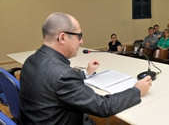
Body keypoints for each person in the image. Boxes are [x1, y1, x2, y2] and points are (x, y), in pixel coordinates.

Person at [18, 12, 152, 125]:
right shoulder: (62, 75)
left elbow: (52, 83)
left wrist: (86, 73)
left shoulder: (31, 60)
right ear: (62, 37)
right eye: (79, 36)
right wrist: (136, 90)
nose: (81, 41)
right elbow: (103, 106)